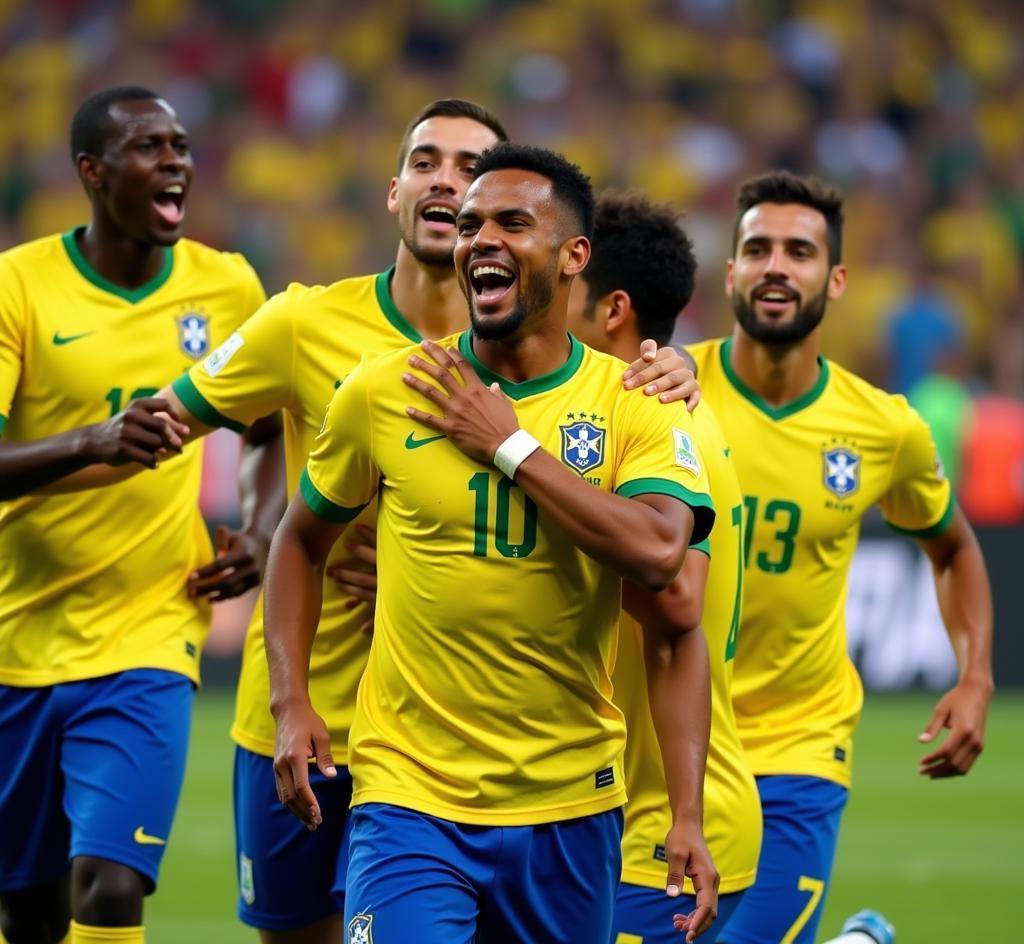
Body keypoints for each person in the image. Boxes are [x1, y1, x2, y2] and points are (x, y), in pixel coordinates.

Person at [155, 102, 698, 943]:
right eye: (470, 217)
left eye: (510, 220)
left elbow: (665, 563)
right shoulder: (378, 382)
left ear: (573, 254)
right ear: (399, 193)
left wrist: (508, 445)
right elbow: (298, 527)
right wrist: (290, 694)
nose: (478, 231)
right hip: (398, 776)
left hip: (566, 794)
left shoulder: (632, 398)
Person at [686, 171, 994, 944]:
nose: (776, 267)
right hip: (677, 741)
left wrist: (976, 677)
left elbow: (951, 546)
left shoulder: (883, 428)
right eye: (756, 249)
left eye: (799, 250)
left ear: (837, 277)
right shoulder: (667, 391)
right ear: (730, 274)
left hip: (801, 740)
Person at [0, 87, 273, 944]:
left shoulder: (227, 286)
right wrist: (93, 440)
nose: (175, 162)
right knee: (29, 909)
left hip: (153, 627)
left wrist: (261, 529)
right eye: (148, 147)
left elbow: (269, 431)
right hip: (17, 635)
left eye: (180, 145)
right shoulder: (19, 287)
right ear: (93, 172)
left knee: (112, 885)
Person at [567, 191, 762, 943]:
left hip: (664, 832)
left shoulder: (661, 422)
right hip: (626, 816)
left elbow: (674, 594)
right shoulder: (654, 406)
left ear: (612, 310)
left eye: (565, 282)